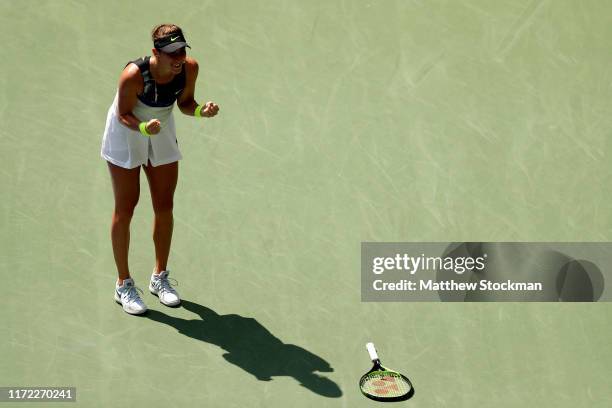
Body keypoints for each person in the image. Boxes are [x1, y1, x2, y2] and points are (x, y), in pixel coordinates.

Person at [101, 24, 219, 315]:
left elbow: (185, 104)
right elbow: (123, 114)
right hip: (127, 132)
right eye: (171, 53)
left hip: (161, 130)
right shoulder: (133, 76)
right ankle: (123, 284)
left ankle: (159, 278)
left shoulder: (189, 69)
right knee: (126, 208)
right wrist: (143, 127)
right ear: (156, 52)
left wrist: (201, 110)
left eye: (181, 50)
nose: (178, 57)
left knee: (164, 205)